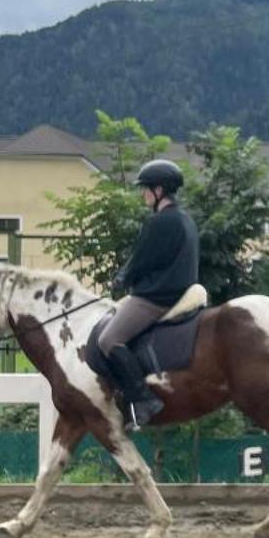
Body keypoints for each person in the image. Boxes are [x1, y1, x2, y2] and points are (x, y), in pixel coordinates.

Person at [97, 158, 199, 430]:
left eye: (145, 188)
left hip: (156, 298)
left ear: (159, 190)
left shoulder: (160, 223)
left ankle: (143, 400)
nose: (142, 194)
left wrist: (121, 278)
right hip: (181, 293)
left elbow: (140, 261)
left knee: (109, 338)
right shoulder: (185, 220)